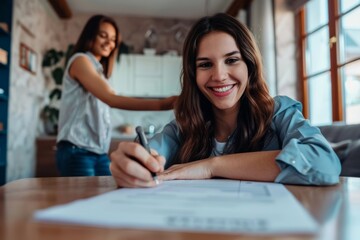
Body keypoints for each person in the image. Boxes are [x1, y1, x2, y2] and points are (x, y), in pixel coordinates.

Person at [109, 13, 341, 187]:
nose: (219, 76)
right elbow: (150, 155)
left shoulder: (279, 112)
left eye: (231, 60)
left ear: (249, 65)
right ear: (193, 74)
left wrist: (212, 166)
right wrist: (132, 163)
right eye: (205, 64)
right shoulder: (182, 127)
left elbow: (324, 164)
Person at [56, 15, 177, 176]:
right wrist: (166, 103)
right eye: (103, 36)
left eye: (113, 39)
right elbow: (112, 99)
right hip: (77, 150)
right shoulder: (80, 60)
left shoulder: (99, 72)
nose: (109, 43)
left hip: (97, 152)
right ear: (90, 35)